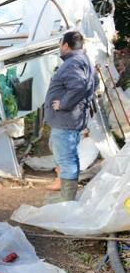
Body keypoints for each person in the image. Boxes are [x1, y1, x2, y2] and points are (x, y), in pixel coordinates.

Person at [44, 31, 97, 201]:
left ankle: (67, 203)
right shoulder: (84, 60)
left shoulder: (72, 63)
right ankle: (67, 197)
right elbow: (91, 83)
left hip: (65, 118)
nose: (60, 48)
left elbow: (79, 86)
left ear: (66, 45)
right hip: (71, 118)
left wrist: (63, 103)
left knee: (67, 159)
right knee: (65, 154)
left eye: (60, 44)